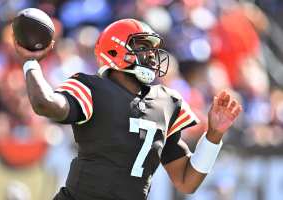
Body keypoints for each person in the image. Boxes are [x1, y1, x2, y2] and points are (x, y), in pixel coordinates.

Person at [14, 19, 242, 200]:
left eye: (153, 50)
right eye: (143, 47)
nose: (151, 56)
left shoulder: (166, 101)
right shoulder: (92, 87)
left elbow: (187, 181)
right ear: (114, 50)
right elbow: (44, 104)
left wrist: (214, 134)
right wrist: (31, 62)